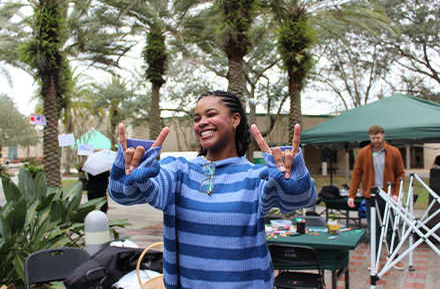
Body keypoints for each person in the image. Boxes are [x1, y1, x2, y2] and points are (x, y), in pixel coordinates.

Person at [109, 91, 317, 288]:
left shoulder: (255, 176)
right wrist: (133, 169)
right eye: (197, 118)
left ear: (236, 119)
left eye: (211, 114)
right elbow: (124, 194)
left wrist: (293, 176)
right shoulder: (180, 170)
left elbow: (300, 201)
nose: (201, 123)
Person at [347, 125, 405, 270]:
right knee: (374, 229)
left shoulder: (394, 152)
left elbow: (400, 174)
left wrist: (396, 193)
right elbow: (357, 174)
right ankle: (375, 259)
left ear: (383, 136)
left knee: (392, 227)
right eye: (373, 138)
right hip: (370, 196)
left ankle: (394, 256)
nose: (376, 140)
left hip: (389, 196)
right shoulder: (363, 153)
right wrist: (351, 194)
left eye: (378, 138)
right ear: (370, 137)